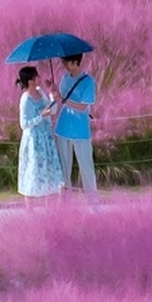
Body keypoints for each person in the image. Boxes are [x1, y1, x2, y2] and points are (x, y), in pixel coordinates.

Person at [54, 54, 97, 199]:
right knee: (64, 168)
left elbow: (83, 107)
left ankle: (93, 203)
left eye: (67, 63)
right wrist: (55, 93)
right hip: (63, 127)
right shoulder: (65, 79)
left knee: (86, 168)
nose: (65, 66)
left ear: (76, 62)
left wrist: (63, 100)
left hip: (80, 131)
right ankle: (65, 202)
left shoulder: (88, 81)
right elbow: (60, 100)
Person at [15, 66, 62, 199]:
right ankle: (29, 208)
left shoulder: (40, 92)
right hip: (33, 141)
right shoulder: (25, 99)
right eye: (37, 76)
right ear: (30, 81)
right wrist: (41, 116)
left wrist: (53, 95)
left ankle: (48, 207)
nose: (39, 78)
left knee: (48, 169)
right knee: (33, 170)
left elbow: (51, 110)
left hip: (46, 137)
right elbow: (24, 124)